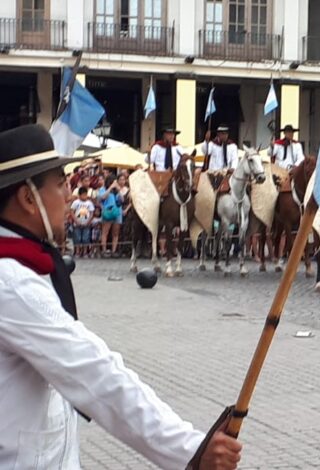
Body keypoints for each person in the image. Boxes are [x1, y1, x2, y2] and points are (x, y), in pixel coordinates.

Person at [0, 124, 241, 469]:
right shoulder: (11, 282)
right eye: (59, 185)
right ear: (27, 198)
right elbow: (95, 372)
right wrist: (191, 449)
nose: (68, 196)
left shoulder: (24, 267)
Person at [99, 174, 125, 258]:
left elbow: (122, 200)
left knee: (115, 233)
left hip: (117, 212)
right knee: (105, 232)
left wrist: (118, 190)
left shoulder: (116, 191)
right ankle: (104, 250)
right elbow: (103, 197)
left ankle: (114, 250)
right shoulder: (103, 189)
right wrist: (110, 188)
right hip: (107, 211)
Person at [70, 187, 94, 258]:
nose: (84, 196)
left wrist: (89, 221)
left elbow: (92, 212)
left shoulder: (89, 203)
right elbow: (72, 211)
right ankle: (77, 252)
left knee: (85, 238)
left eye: (85, 194)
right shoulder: (76, 202)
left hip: (86, 223)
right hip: (77, 223)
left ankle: (85, 252)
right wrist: (75, 221)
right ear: (79, 195)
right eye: (83, 195)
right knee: (77, 238)